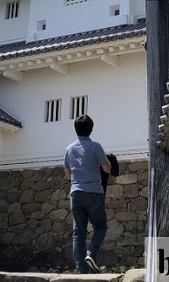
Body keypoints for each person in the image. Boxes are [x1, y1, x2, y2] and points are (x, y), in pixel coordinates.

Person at [64, 114, 111, 273]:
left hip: (76, 193)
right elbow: (106, 168)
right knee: (100, 226)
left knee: (79, 233)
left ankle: (82, 271)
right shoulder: (96, 146)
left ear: (75, 129)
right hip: (94, 193)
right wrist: (107, 162)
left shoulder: (69, 149)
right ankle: (91, 253)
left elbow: (67, 174)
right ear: (91, 129)